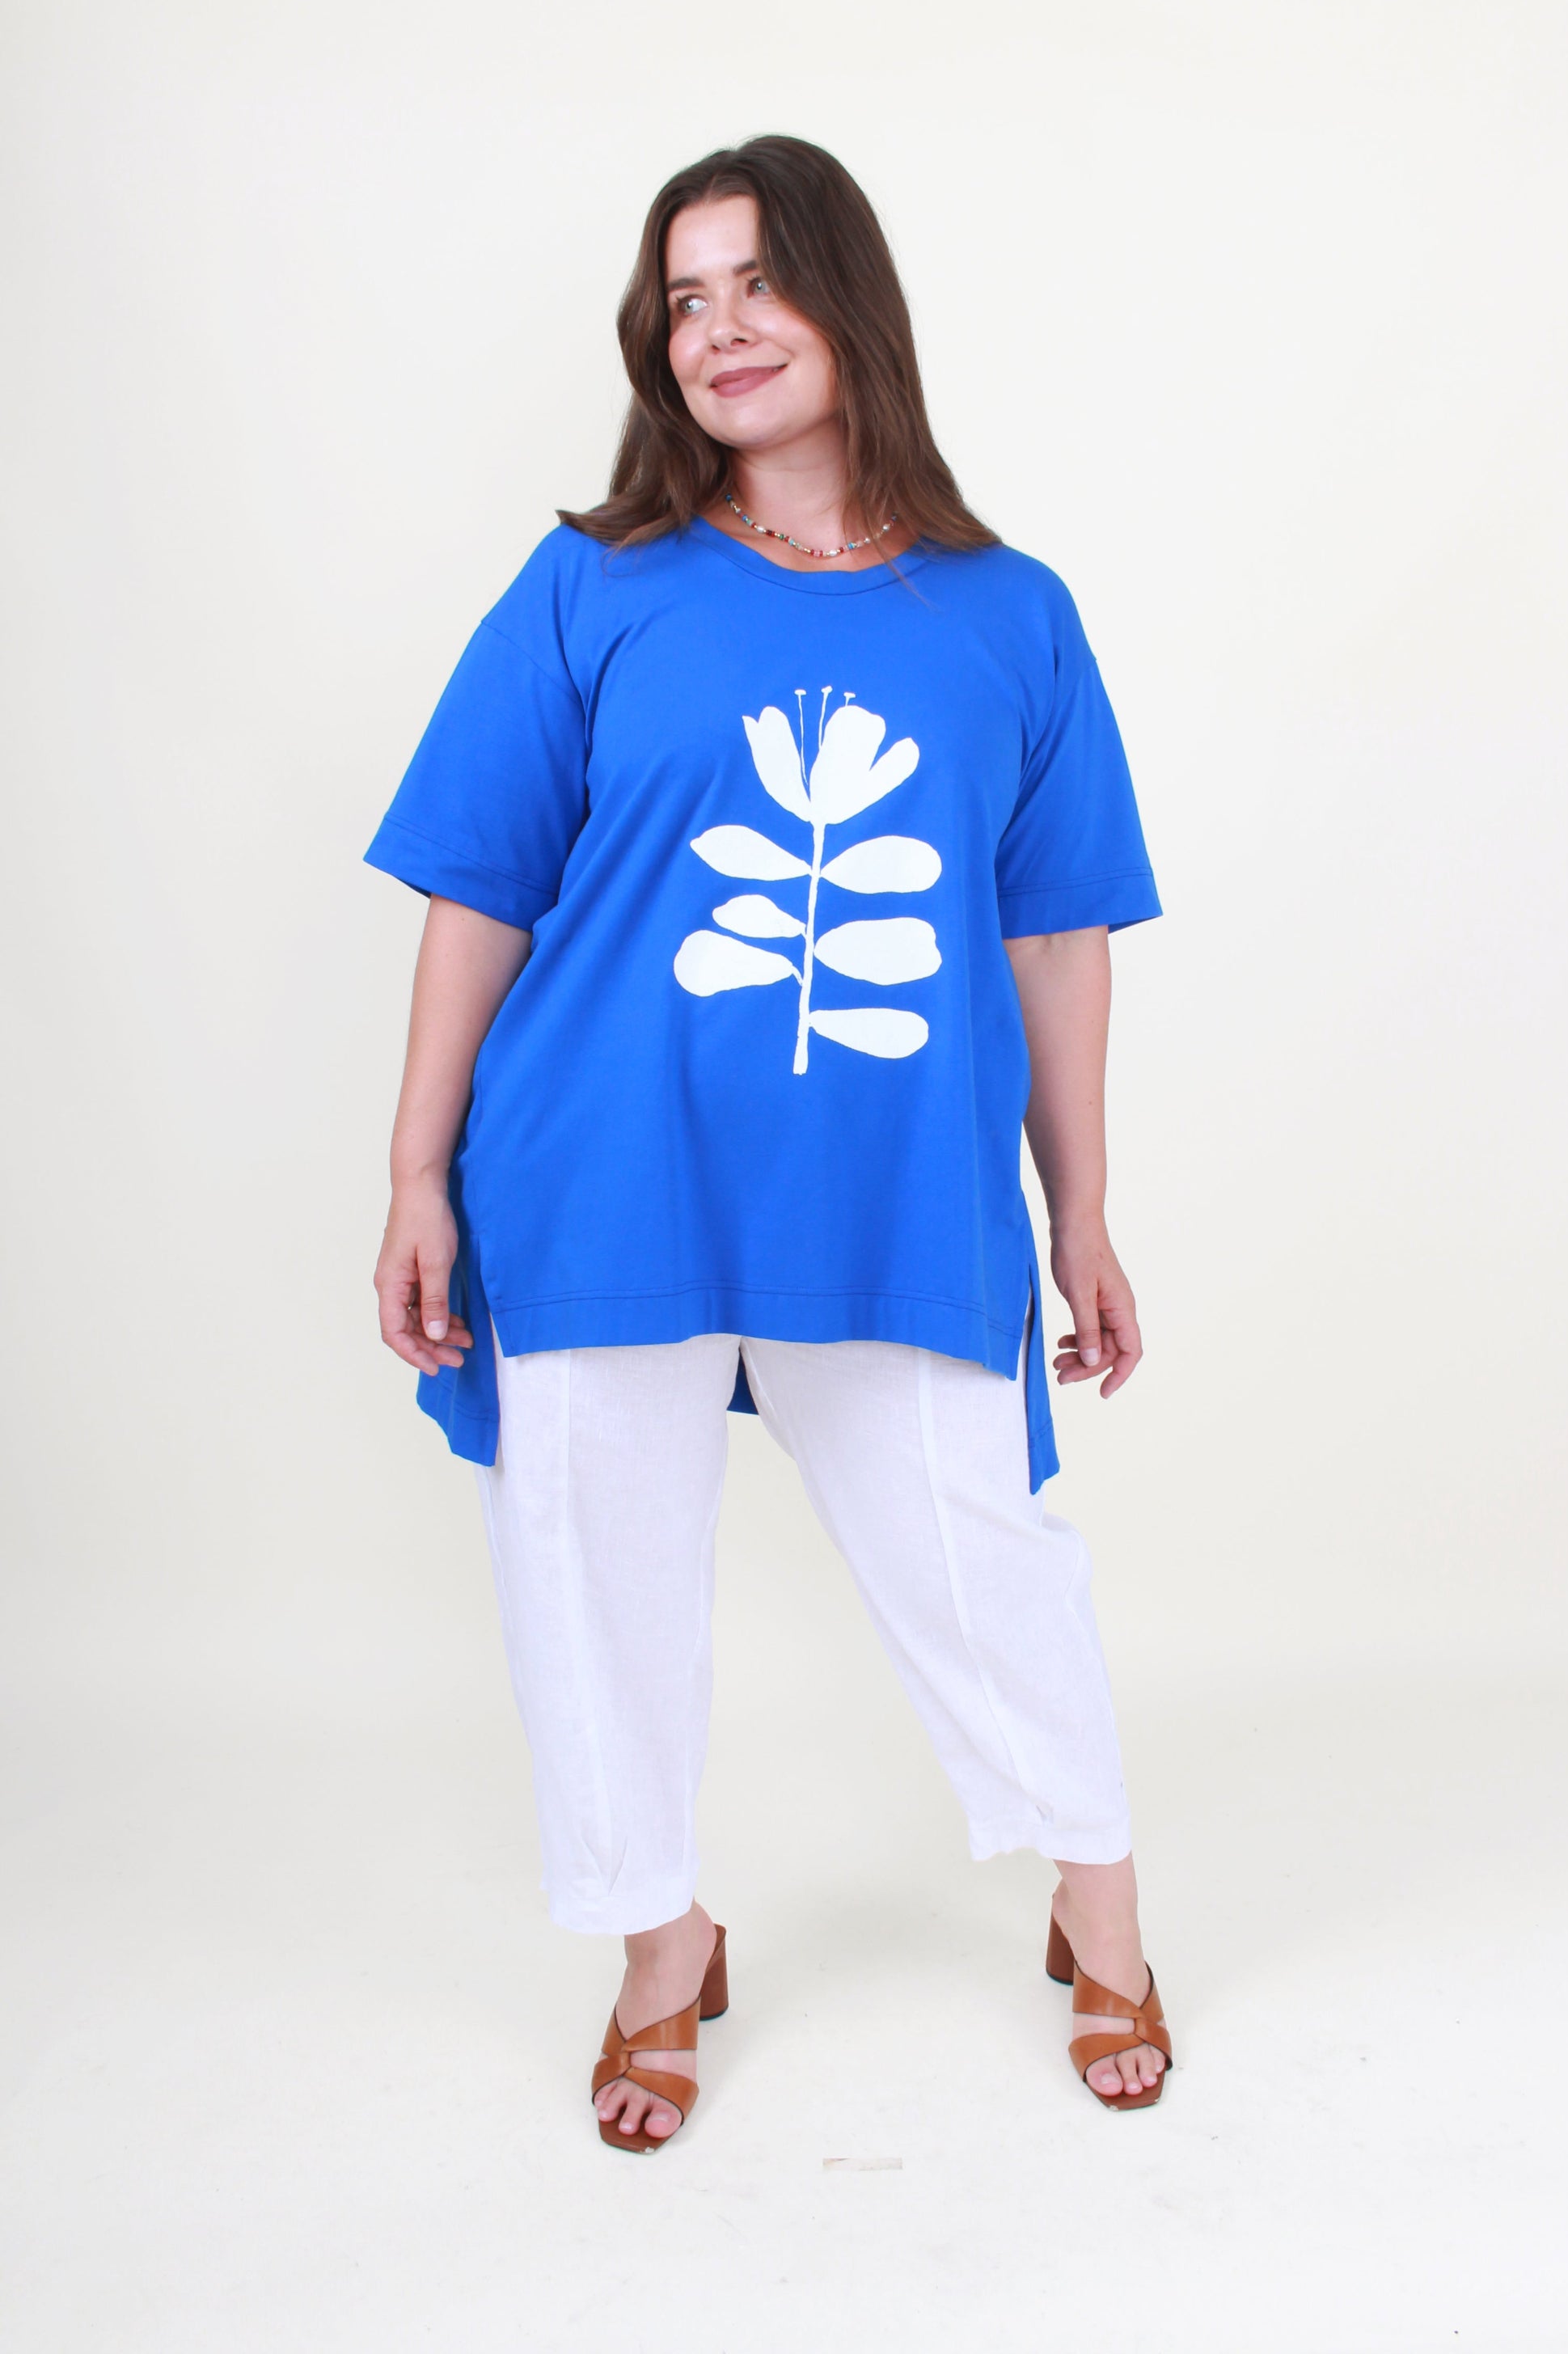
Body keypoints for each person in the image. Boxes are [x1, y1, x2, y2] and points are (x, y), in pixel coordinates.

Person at [366, 135, 1171, 2153]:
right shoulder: (595, 583)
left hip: (889, 1182)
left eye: (751, 284)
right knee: (585, 1570)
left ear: (845, 302)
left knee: (980, 1556)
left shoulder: (1011, 613)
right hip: (595, 1171)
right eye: (680, 298)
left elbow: (1055, 936)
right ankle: (658, 1942)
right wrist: (411, 1175)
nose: (712, 330)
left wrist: (1081, 1214)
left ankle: (1101, 1903)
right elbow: (478, 888)